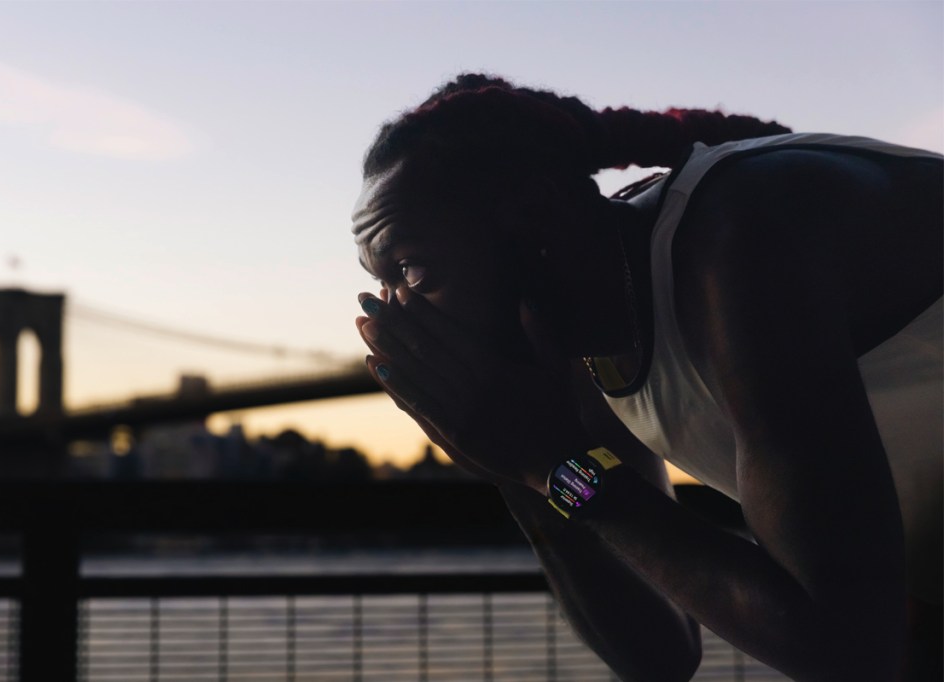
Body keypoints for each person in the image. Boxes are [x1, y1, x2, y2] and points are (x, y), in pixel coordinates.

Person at [351, 74, 942, 681]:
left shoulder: (738, 241)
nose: (400, 314)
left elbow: (848, 650)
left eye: (412, 269)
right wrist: (509, 463)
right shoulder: (587, 337)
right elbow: (661, 654)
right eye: (384, 285)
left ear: (534, 217)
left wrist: (549, 462)